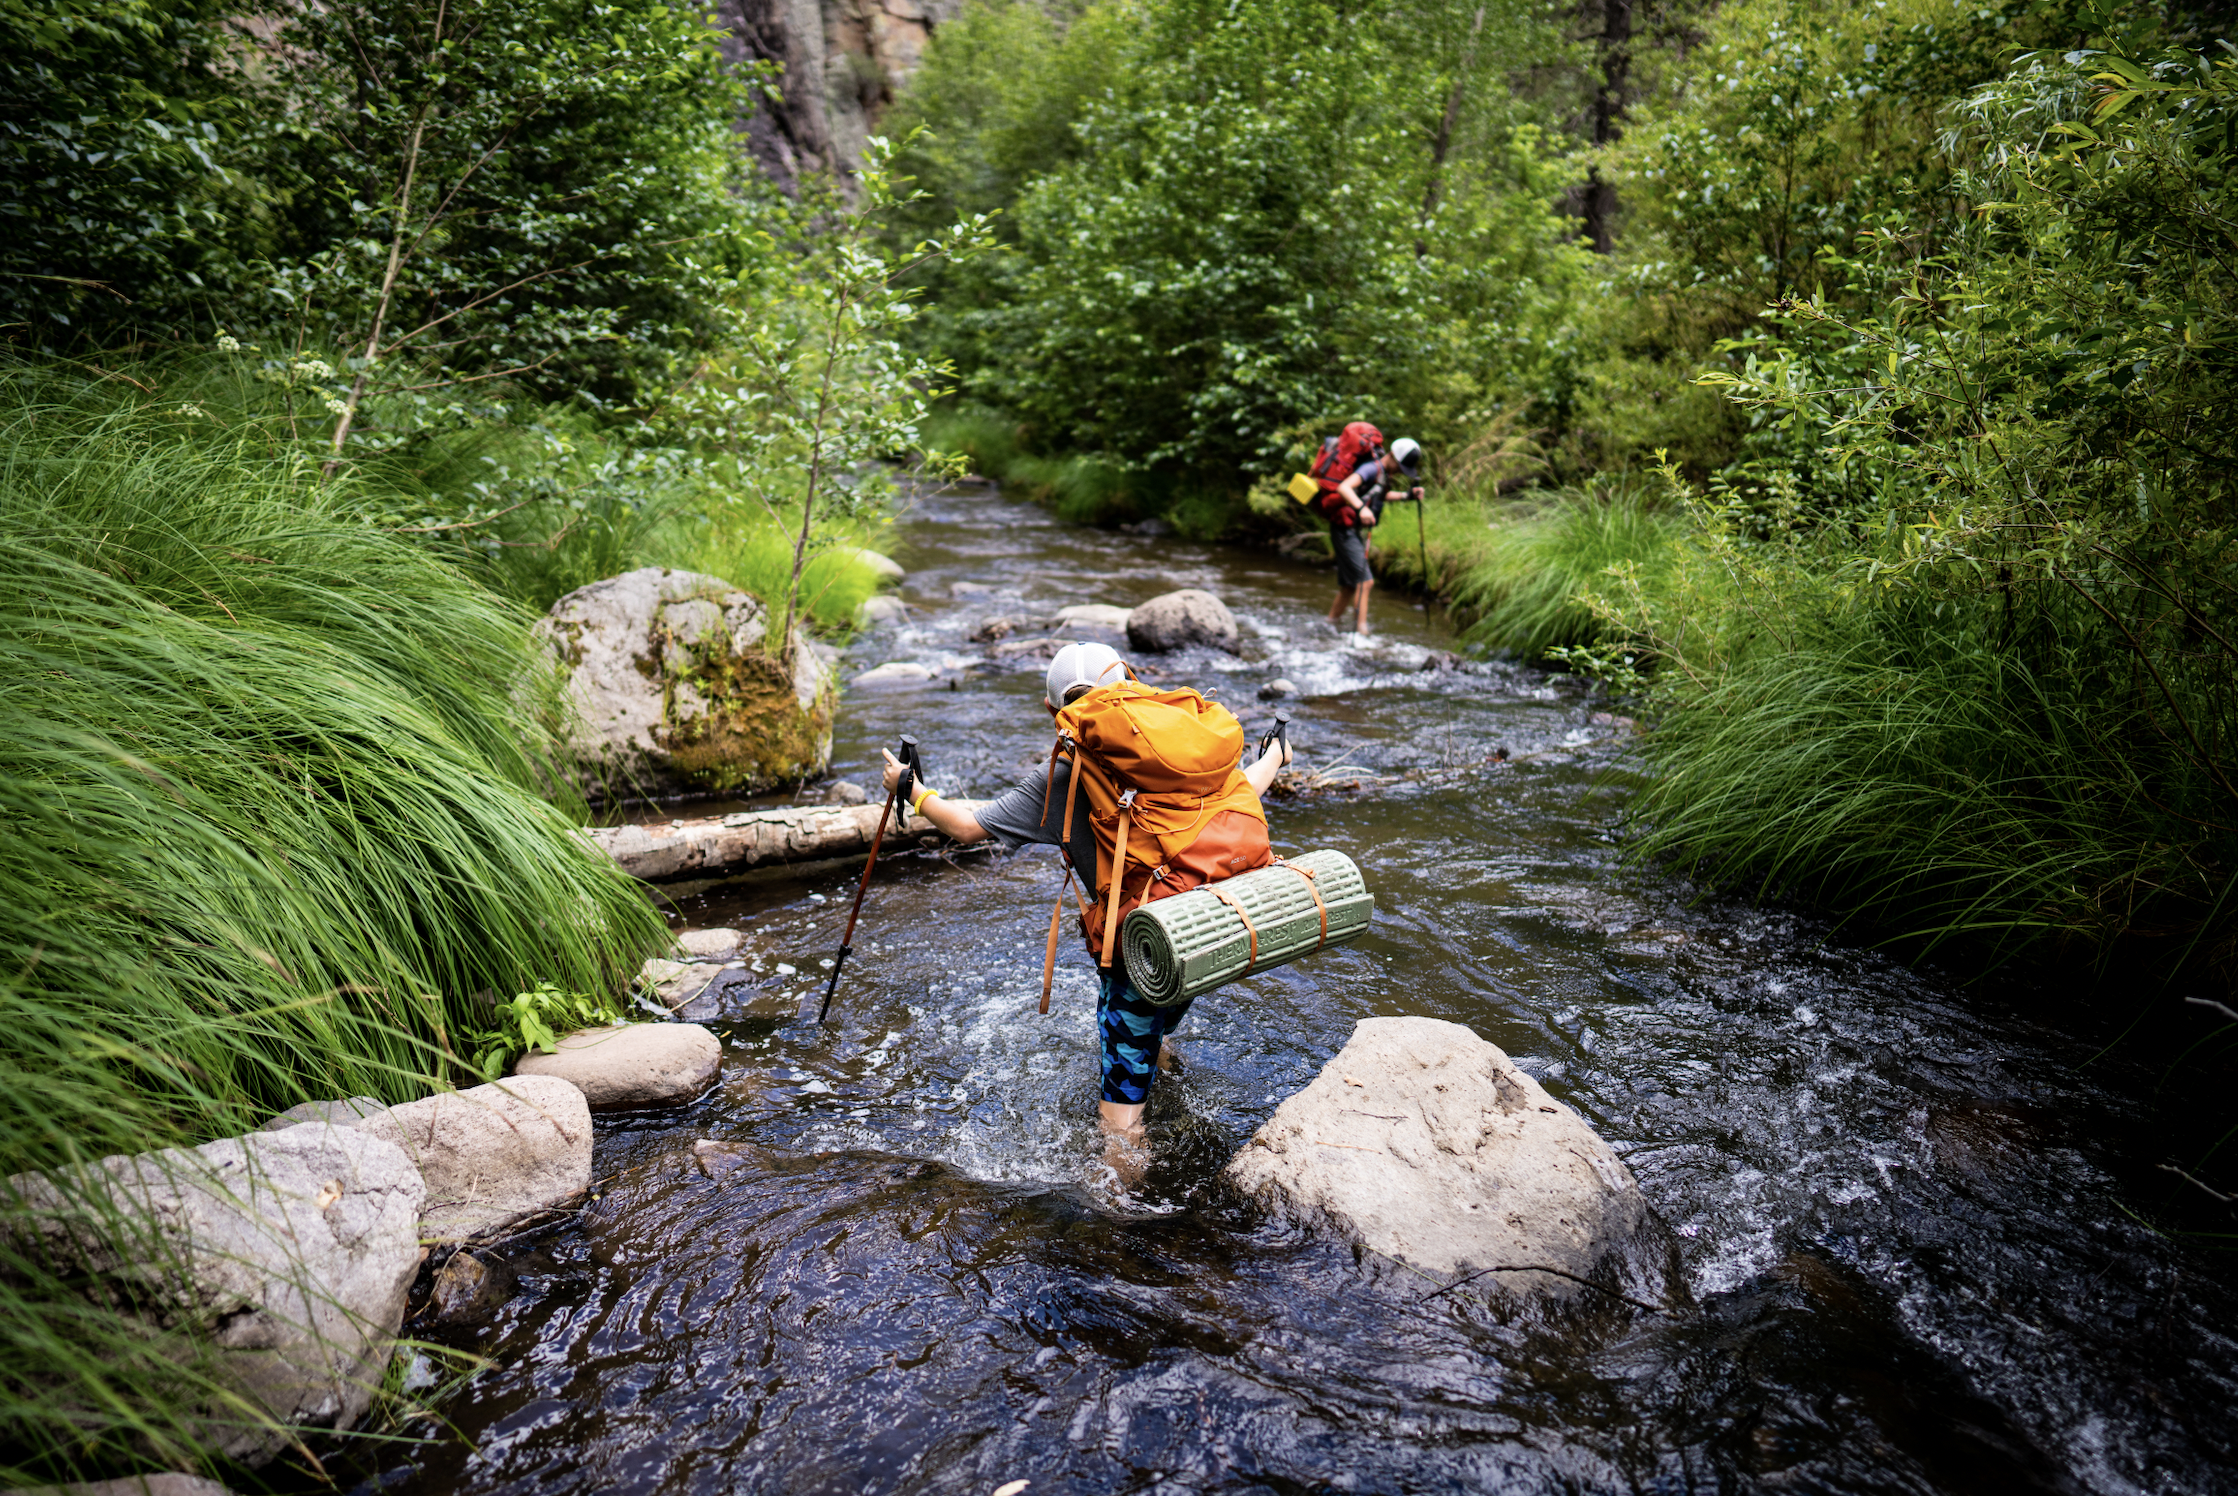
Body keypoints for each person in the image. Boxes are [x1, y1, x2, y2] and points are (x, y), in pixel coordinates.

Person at [877, 641, 1291, 1160]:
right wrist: (1274, 753)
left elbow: (966, 827)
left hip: (1144, 947)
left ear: (1055, 712)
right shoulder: (1183, 751)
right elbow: (1244, 790)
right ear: (1131, 681)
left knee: (1120, 1122)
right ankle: (1161, 1076)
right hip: (1206, 928)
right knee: (1156, 1032)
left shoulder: (1064, 778)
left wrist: (910, 789)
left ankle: (1125, 1229)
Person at [1324, 436, 1424, 636]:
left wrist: (1407, 496)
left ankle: (1329, 624)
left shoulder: (1382, 472)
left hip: (1352, 529)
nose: (1399, 471)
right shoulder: (1371, 469)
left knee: (1349, 585)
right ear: (1393, 456)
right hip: (1345, 529)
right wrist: (1361, 509)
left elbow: (1378, 494)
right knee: (1365, 581)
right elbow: (1344, 487)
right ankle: (1361, 634)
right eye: (1400, 466)